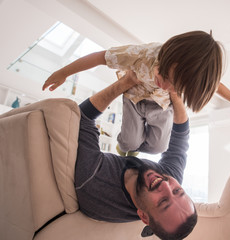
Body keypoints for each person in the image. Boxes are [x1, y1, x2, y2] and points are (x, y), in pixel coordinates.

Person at [42, 30, 230, 156]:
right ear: (166, 58)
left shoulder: (182, 84)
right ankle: (127, 145)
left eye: (176, 88)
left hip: (161, 105)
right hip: (135, 96)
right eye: (166, 78)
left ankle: (138, 144)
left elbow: (216, 85)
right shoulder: (140, 55)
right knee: (128, 143)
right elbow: (100, 57)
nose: (167, 87)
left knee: (158, 148)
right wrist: (64, 71)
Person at [72, 70, 196, 239]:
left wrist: (125, 83)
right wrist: (175, 95)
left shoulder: (94, 182)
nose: (166, 185)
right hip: (138, 145)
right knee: (156, 145)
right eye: (178, 191)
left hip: (101, 174)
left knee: (130, 142)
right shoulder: (170, 180)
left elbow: (83, 117)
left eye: (163, 202)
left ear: (143, 216)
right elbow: (180, 141)